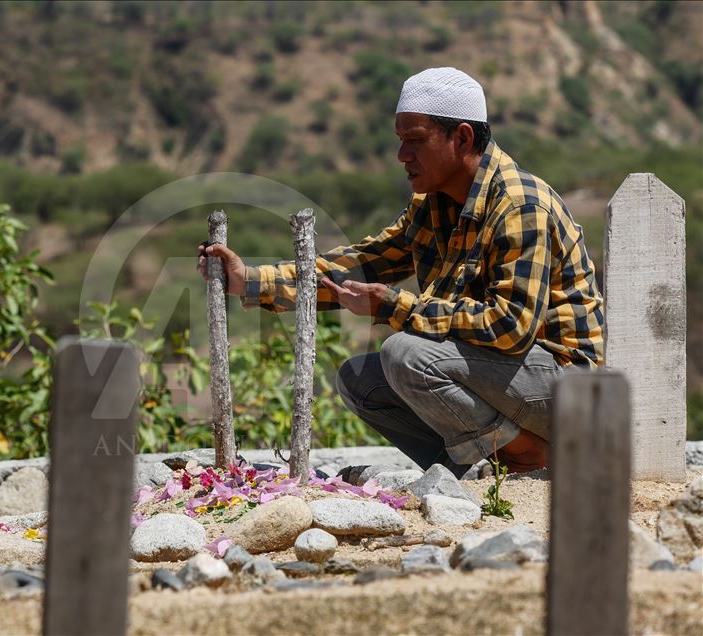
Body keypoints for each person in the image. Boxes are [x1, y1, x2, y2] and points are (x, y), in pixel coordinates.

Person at [197, 67, 604, 477]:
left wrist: (395, 306)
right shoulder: (432, 204)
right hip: (507, 381)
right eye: (400, 141)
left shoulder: (518, 206)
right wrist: (249, 280)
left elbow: (510, 327)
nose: (402, 156)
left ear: (461, 138)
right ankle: (470, 471)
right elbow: (359, 264)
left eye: (415, 141)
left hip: (566, 391)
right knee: (360, 380)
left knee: (405, 353)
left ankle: (529, 456)